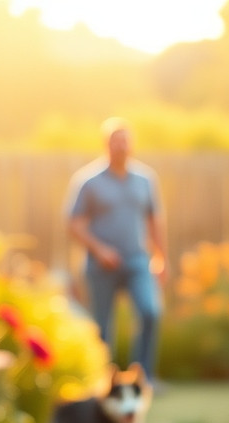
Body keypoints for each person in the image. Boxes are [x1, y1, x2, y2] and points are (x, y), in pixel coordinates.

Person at [65, 118, 168, 378]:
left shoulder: (145, 179)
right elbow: (74, 224)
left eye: (125, 141)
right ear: (106, 145)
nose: (120, 146)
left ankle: (143, 376)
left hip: (137, 261)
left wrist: (161, 256)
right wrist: (100, 250)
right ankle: (101, 379)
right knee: (102, 327)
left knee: (150, 311)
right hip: (100, 265)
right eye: (115, 141)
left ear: (131, 145)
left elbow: (155, 220)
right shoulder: (89, 181)